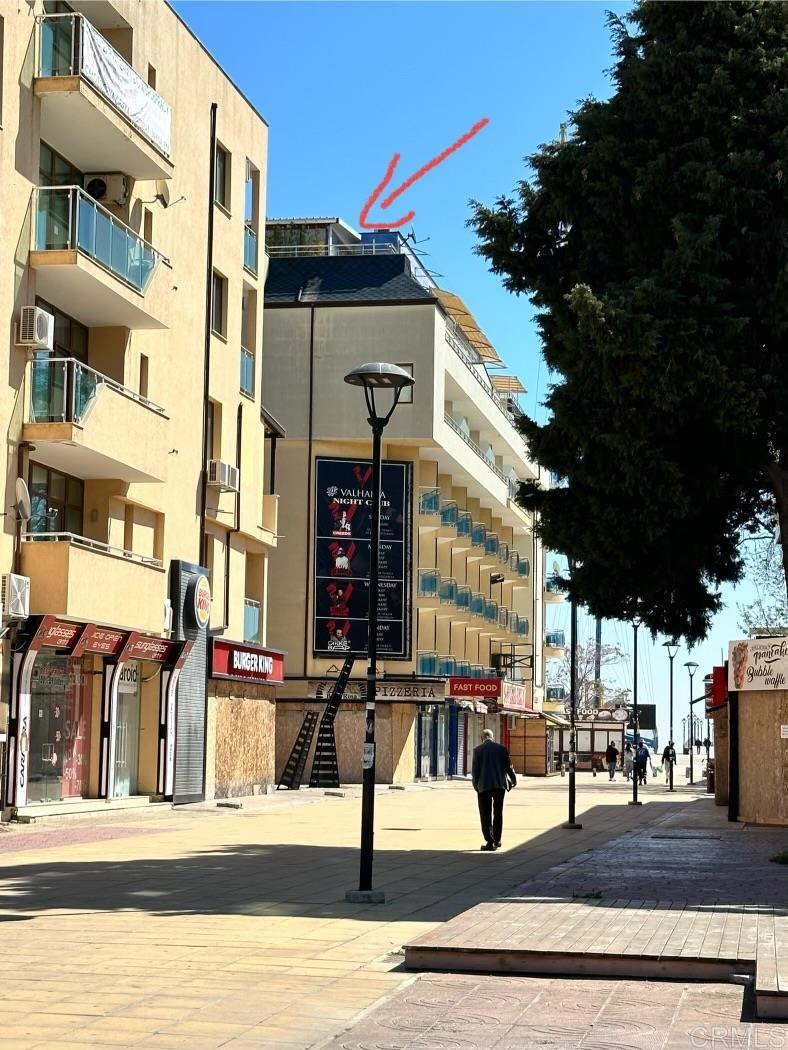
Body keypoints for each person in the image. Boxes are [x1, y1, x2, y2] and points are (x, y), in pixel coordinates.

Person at [471, 728, 516, 851]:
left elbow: (475, 771)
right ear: (492, 737)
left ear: (482, 738)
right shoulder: (502, 749)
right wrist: (513, 779)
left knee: (485, 815)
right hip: (499, 786)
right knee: (498, 813)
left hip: (484, 786)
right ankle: (497, 839)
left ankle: (490, 841)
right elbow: (509, 767)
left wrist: (476, 785)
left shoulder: (477, 750)